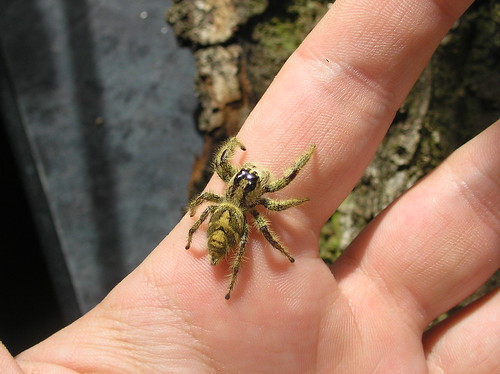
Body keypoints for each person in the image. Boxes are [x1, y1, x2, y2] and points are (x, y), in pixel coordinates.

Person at [2, 0, 499, 372]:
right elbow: (277, 191)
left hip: (223, 216)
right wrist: (281, 174)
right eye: (242, 175)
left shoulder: (231, 197)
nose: (246, 175)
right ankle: (228, 275)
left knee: (232, 231)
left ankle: (217, 256)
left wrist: (211, 220)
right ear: (239, 185)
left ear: (242, 187)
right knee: (239, 246)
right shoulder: (245, 204)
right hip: (226, 220)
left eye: (244, 176)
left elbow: (259, 191)